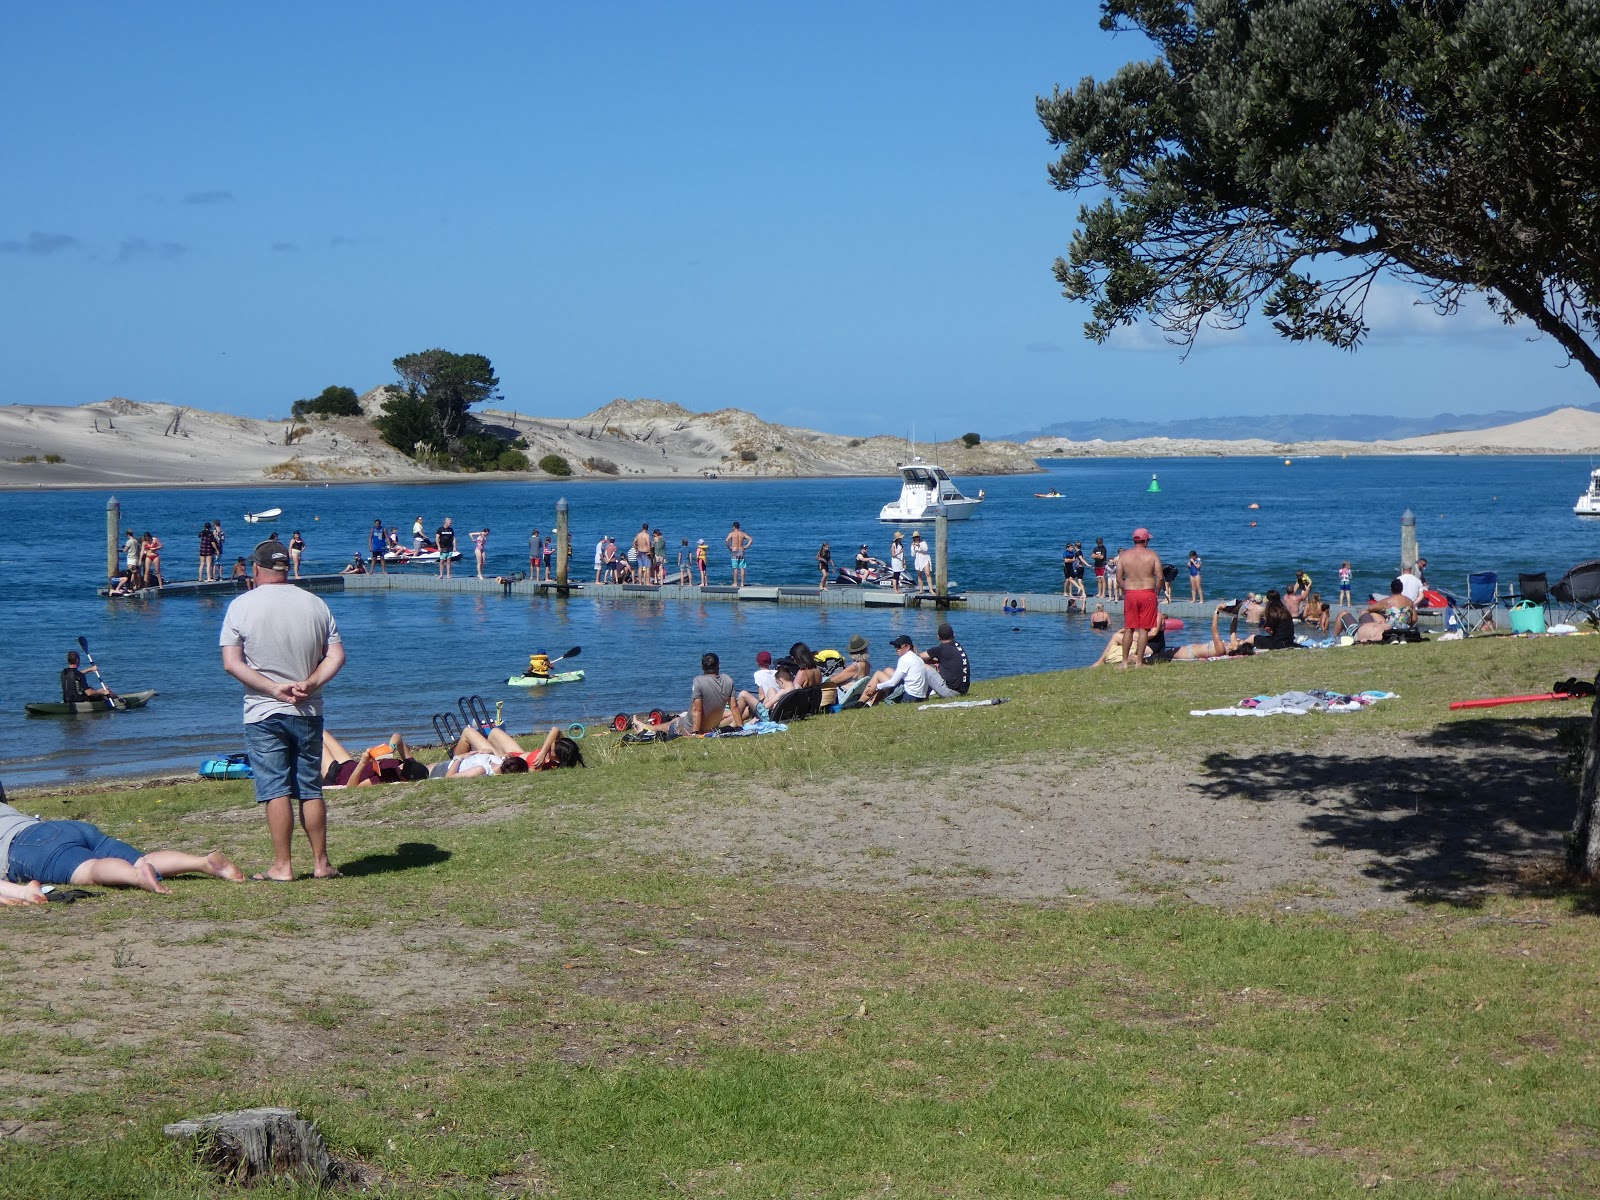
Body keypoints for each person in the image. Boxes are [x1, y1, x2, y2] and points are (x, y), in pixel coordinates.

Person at [219, 538, 346, 883]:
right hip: (307, 708)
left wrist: (273, 688)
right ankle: (321, 863)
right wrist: (311, 682)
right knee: (310, 788)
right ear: (285, 568)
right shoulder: (316, 603)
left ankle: (282, 866)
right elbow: (336, 656)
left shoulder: (241, 605)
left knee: (275, 789)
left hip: (263, 710)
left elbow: (231, 663)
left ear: (256, 568)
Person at [1, 795, 245, 895]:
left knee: (90, 868)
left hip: (28, 846)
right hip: (59, 827)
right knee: (142, 858)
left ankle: (136, 877)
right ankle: (203, 862)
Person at [633, 652, 739, 739]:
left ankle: (644, 727)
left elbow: (697, 710)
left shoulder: (698, 681)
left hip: (691, 727)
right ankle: (644, 727)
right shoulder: (728, 680)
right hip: (712, 727)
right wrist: (741, 728)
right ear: (718, 665)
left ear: (702, 667)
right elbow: (734, 707)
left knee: (669, 726)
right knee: (676, 720)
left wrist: (695, 732)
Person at [1115, 528, 1163, 670]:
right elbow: (1160, 577)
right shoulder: (1152, 555)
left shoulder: (1124, 556)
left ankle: (1124, 662)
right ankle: (1139, 662)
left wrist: (1126, 589)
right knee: (1144, 629)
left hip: (1131, 593)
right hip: (1147, 593)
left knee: (1129, 628)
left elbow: (1118, 578)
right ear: (1146, 540)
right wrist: (1156, 592)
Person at [321, 731, 427, 787]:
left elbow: (351, 786)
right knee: (319, 730)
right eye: (404, 764)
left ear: (404, 779)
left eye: (402, 770)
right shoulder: (411, 764)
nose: (401, 766)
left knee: (312, 736)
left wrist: (363, 762)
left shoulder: (386, 778)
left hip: (335, 775)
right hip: (348, 764)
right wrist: (391, 747)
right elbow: (397, 736)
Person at [863, 635, 948, 704]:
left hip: (910, 697)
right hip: (921, 697)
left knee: (878, 674)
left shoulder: (904, 659)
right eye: (895, 646)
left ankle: (861, 702)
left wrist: (876, 687)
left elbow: (893, 683)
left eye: (899, 646)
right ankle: (870, 702)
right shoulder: (917, 658)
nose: (896, 649)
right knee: (887, 670)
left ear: (907, 647)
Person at [1164, 604, 1259, 661]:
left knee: (1162, 654)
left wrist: (1217, 611)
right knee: (1162, 651)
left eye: (1240, 641)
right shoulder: (1232, 644)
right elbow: (1233, 629)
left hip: (1189, 652)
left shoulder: (1221, 649)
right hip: (1190, 647)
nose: (1238, 639)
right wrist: (1235, 612)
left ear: (1236, 648)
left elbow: (1214, 630)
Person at [923, 622, 970, 695]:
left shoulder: (941, 649)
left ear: (938, 637)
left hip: (951, 692)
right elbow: (946, 660)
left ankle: (921, 694)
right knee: (934, 665)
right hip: (964, 691)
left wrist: (913, 651)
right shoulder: (958, 647)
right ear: (953, 635)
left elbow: (919, 656)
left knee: (924, 666)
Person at [726, 522, 752, 587]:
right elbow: (750, 539)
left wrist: (729, 547)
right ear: (739, 527)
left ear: (734, 527)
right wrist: (746, 547)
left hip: (734, 551)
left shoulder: (732, 534)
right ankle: (742, 583)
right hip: (741, 550)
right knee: (742, 567)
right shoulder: (742, 534)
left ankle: (735, 583)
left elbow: (726, 540)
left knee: (735, 568)